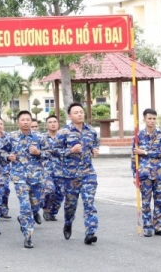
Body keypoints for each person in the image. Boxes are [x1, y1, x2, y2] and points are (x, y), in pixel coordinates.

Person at [0, 111, 49, 248]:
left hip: (36, 177)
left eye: (28, 119)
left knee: (35, 205)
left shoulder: (40, 137)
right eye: (23, 120)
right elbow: (1, 151)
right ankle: (28, 236)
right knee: (25, 206)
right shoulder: (11, 137)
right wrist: (8, 156)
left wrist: (38, 153)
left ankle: (23, 219)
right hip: (20, 177)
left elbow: (49, 154)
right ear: (18, 122)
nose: (26, 122)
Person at [55, 102, 100, 245]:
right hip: (70, 176)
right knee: (70, 205)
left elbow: (95, 144)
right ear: (70, 115)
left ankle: (90, 232)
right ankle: (68, 222)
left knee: (89, 203)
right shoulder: (63, 132)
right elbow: (54, 152)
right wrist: (70, 151)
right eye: (76, 112)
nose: (80, 114)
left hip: (88, 173)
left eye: (81, 112)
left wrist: (95, 150)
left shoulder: (91, 131)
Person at [132, 108, 161, 237]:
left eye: (154, 118)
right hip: (144, 173)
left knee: (159, 200)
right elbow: (134, 157)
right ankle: (148, 226)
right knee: (146, 201)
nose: (152, 121)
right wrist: (134, 175)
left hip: (158, 172)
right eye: (149, 118)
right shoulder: (138, 136)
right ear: (144, 119)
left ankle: (158, 226)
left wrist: (145, 152)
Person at [42, 115, 64, 221]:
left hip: (61, 170)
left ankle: (53, 212)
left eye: (55, 121)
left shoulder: (64, 138)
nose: (53, 124)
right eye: (50, 122)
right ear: (47, 125)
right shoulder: (42, 138)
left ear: (58, 124)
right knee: (50, 190)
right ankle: (46, 209)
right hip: (46, 169)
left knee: (60, 193)